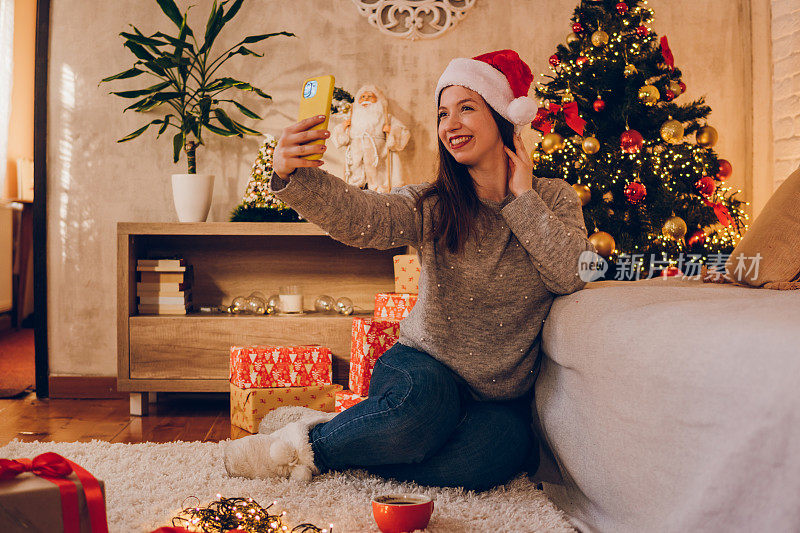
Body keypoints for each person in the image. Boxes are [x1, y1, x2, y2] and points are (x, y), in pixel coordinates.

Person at [223, 49, 596, 491]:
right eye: (443, 114)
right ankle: (300, 448)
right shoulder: (434, 203)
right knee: (421, 415)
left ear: (502, 118)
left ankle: (350, 432)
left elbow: (573, 273)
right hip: (421, 370)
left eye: (466, 108)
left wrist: (522, 199)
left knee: (489, 461)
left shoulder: (551, 199)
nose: (450, 125)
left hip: (497, 396)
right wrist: (295, 174)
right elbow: (364, 218)